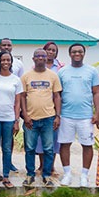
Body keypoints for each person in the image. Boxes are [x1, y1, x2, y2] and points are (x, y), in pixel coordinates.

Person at [58, 43, 99, 187]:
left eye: (80, 51)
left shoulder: (92, 71)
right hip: (66, 115)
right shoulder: (62, 72)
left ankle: (84, 175)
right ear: (70, 54)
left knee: (87, 145)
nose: (77, 54)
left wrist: (97, 113)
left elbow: (96, 92)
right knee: (64, 144)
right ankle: (67, 173)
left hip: (86, 116)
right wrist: (57, 115)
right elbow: (57, 95)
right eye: (74, 52)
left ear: (84, 54)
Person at [20, 48, 62, 188]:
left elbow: (57, 96)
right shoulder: (26, 76)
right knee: (30, 148)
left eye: (43, 56)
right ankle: (30, 175)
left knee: (48, 148)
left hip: (48, 118)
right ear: (33, 58)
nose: (40, 58)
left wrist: (57, 116)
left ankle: (46, 176)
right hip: (30, 119)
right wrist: (25, 115)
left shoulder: (53, 76)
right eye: (37, 56)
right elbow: (22, 97)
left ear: (47, 58)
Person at [0, 51, 23, 189]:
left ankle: (6, 176)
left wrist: (16, 121)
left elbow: (17, 102)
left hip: (9, 119)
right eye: (3, 60)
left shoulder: (16, 80)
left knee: (7, 148)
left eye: (8, 60)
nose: (6, 62)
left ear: (11, 62)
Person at [35, 41, 64, 175]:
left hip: (54, 108)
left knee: (53, 139)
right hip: (40, 109)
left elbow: (59, 91)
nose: (51, 52)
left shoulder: (61, 68)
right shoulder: (36, 67)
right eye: (49, 50)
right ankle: (41, 166)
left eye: (54, 50)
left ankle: (51, 166)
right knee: (41, 140)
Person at [0, 38, 24, 172]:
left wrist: (17, 116)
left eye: (9, 45)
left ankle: (9, 163)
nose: (6, 47)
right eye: (4, 45)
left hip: (11, 108)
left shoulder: (18, 64)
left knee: (9, 140)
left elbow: (20, 87)